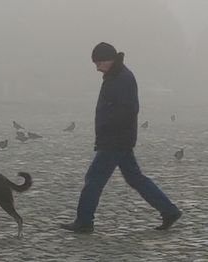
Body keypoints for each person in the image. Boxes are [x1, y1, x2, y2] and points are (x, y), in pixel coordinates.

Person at [60, 42, 182, 233]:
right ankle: (169, 211)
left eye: (99, 63)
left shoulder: (122, 78)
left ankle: (84, 221)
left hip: (114, 139)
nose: (97, 67)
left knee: (94, 178)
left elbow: (129, 109)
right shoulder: (115, 75)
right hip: (118, 139)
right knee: (136, 178)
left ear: (109, 60)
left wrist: (108, 126)